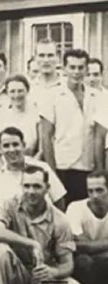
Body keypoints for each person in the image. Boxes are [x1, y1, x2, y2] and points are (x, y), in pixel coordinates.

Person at [0, 165, 95, 284]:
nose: (31, 191)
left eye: (37, 186)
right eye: (27, 186)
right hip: (17, 275)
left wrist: (54, 271)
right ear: (21, 186)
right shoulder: (9, 205)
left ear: (47, 189)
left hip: (45, 278)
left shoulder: (60, 220)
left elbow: (67, 264)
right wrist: (31, 243)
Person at [39, 48, 105, 203]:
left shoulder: (98, 97)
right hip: (63, 168)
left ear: (86, 69)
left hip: (88, 168)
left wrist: (100, 171)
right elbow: (46, 137)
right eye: (72, 67)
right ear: (64, 69)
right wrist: (52, 173)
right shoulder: (51, 96)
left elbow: (99, 138)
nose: (76, 72)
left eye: (80, 68)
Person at [0, 127, 66, 216]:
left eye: (15, 144)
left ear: (23, 145)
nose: (12, 149)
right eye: (6, 146)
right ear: (0, 149)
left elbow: (59, 201)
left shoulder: (42, 168)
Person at [66, 170, 108, 284]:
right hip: (83, 260)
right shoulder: (76, 208)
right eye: (90, 191)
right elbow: (79, 245)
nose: (94, 196)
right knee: (84, 262)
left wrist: (90, 247)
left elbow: (87, 245)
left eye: (99, 190)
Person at [0, 74, 40, 168]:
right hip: (5, 168)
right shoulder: (0, 116)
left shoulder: (36, 115)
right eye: (12, 91)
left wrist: (30, 169)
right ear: (7, 93)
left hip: (31, 168)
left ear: (27, 91)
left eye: (20, 91)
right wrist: (4, 170)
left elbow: (42, 150)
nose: (16, 95)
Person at [31, 39, 62, 107]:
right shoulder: (29, 88)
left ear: (57, 58)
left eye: (50, 55)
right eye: (41, 55)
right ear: (35, 58)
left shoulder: (67, 86)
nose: (46, 60)